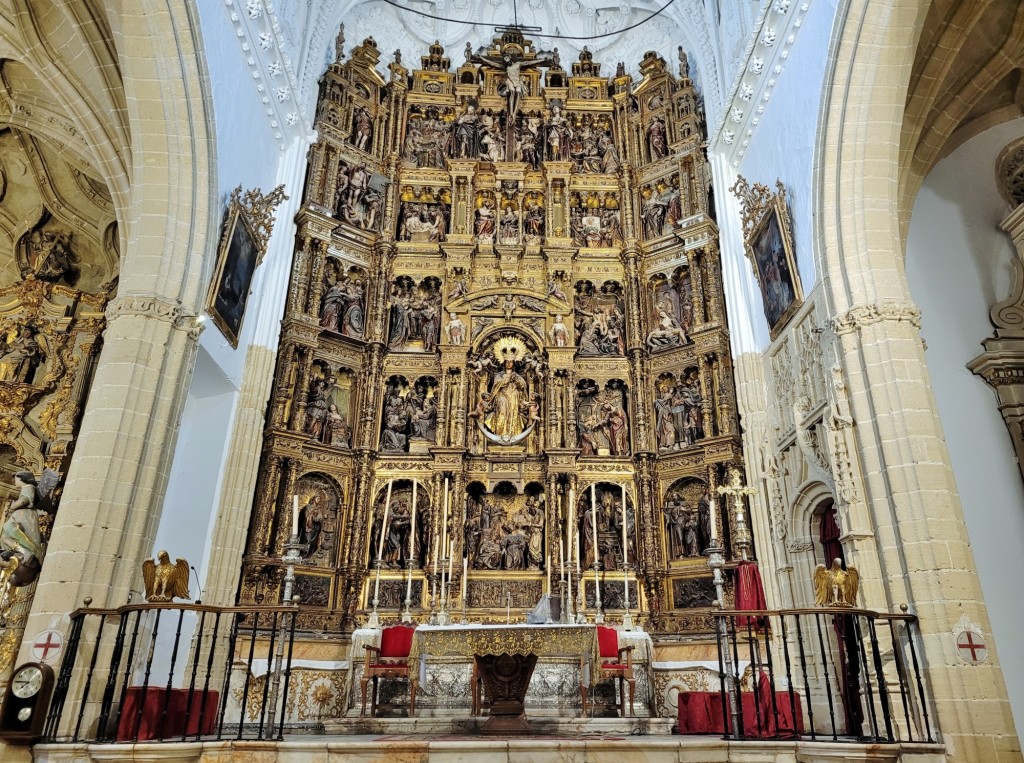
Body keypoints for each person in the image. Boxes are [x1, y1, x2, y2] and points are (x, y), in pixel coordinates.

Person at [0, 471, 43, 586]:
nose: (14, 482)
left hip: (25, 518)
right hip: (21, 517)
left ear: (22, 478)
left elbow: (25, 500)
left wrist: (13, 506)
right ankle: (18, 552)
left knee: (10, 534)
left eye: (16, 479)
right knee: (7, 536)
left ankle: (25, 552)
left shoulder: (28, 487)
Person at [485, 359, 528, 438]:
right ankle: (500, 435)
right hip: (501, 397)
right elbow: (496, 385)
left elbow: (523, 386)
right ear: (504, 363)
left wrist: (516, 381)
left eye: (511, 361)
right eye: (507, 361)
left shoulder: (517, 376)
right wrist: (506, 380)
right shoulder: (499, 375)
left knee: (513, 415)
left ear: (514, 363)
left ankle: (513, 436)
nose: (509, 363)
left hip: (514, 398)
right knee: (501, 413)